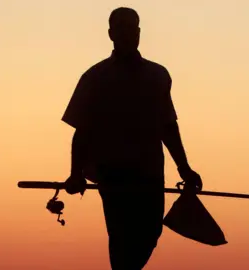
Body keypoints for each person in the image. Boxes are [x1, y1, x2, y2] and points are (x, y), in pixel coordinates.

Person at [61, 7, 203, 270]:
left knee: (151, 234)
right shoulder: (94, 78)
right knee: (120, 237)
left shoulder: (157, 76)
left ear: (139, 33)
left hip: (149, 173)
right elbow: (81, 131)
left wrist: (185, 168)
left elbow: (168, 127)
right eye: (122, 28)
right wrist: (75, 173)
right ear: (111, 34)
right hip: (112, 174)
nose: (129, 33)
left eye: (133, 28)